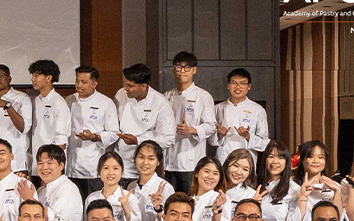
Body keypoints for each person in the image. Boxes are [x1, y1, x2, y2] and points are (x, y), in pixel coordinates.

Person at [163, 52, 217, 194]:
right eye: (179, 67)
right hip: (168, 162)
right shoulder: (166, 96)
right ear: (174, 70)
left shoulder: (203, 96)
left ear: (194, 70)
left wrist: (192, 130)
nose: (182, 71)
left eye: (187, 67)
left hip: (191, 162)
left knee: (190, 202)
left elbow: (211, 125)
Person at [113, 64, 175, 181]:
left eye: (130, 86)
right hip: (121, 163)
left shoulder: (160, 103)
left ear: (143, 86)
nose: (126, 88)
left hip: (146, 168)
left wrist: (137, 140)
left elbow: (168, 138)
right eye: (125, 84)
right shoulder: (121, 94)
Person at [66, 65, 119, 199]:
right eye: (77, 81)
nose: (79, 85)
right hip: (71, 165)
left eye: (84, 82)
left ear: (94, 84)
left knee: (94, 204)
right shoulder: (69, 100)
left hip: (93, 166)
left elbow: (114, 133)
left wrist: (94, 136)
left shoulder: (106, 103)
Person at [209, 68, 270, 163]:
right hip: (223, 159)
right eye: (234, 83)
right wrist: (219, 135)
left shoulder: (258, 110)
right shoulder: (217, 108)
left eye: (242, 83)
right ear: (228, 86)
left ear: (249, 86)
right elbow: (209, 140)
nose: (238, 87)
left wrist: (248, 136)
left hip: (247, 161)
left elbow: (265, 144)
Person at [85, 151, 143, 221]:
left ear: (122, 172)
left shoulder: (130, 198)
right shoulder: (91, 198)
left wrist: (126, 209)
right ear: (99, 171)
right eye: (106, 168)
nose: (111, 173)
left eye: (115, 168)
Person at [255, 141, 304, 221]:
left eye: (280, 157)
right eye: (271, 156)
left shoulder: (293, 189)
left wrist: (303, 198)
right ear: (264, 160)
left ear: (287, 162)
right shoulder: (254, 187)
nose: (275, 161)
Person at [0, 64, 33, 173]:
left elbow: (24, 128)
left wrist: (7, 105)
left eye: (0, 76)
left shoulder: (22, 98)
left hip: (16, 164)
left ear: (9, 78)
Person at [34, 144, 82, 221]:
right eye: (40, 163)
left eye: (50, 163)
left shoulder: (68, 188)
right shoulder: (41, 191)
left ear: (61, 165)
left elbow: (55, 219)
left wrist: (29, 197)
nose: (44, 167)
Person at [209, 148, 258, 221]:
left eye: (245, 169)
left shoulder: (251, 195)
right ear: (227, 164)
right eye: (235, 165)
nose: (239, 172)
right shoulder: (213, 188)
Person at [29, 59, 70, 169]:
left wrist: (50, 166)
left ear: (48, 78)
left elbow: (61, 141)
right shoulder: (36, 101)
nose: (33, 79)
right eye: (32, 75)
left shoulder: (59, 103)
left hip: (50, 165)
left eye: (37, 76)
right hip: (37, 162)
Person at [128, 140, 175, 221]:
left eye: (151, 159)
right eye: (141, 157)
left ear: (158, 162)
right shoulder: (131, 187)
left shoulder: (166, 188)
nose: (145, 163)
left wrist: (158, 208)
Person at [292, 140, 342, 220]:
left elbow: (338, 220)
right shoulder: (292, 186)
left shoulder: (335, 187)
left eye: (321, 157)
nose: (316, 161)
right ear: (302, 160)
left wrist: (337, 191)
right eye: (310, 156)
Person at [184, 157, 226, 221]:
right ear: (196, 173)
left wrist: (217, 213)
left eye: (215, 174)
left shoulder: (220, 199)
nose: (210, 177)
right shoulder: (187, 200)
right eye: (206, 171)